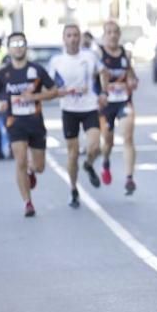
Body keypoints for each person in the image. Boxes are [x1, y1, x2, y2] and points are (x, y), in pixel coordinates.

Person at [0, 32, 61, 217]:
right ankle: (28, 202)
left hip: (35, 122)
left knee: (40, 167)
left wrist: (35, 96)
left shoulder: (36, 70)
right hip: (14, 122)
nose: (18, 47)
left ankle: (31, 170)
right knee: (19, 160)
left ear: (26, 46)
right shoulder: (3, 74)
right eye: (14, 44)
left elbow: (54, 91)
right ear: (9, 48)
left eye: (21, 43)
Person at [48, 24, 105, 208]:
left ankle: (88, 164)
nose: (73, 39)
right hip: (69, 110)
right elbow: (50, 87)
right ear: (64, 39)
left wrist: (103, 92)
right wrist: (62, 91)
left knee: (95, 147)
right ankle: (73, 190)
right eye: (69, 35)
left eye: (75, 35)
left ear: (80, 38)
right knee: (72, 154)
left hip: (89, 107)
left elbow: (102, 71)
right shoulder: (57, 61)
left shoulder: (89, 56)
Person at [98, 21, 139, 195]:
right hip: (106, 105)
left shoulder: (125, 54)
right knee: (108, 141)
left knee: (128, 138)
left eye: (115, 32)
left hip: (124, 101)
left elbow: (132, 77)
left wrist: (132, 82)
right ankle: (105, 161)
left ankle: (129, 178)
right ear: (104, 35)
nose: (113, 35)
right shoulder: (98, 55)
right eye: (109, 32)